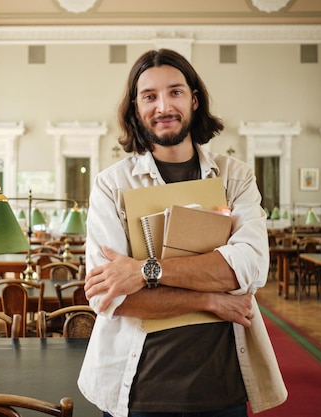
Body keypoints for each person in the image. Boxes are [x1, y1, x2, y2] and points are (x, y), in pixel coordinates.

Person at [78, 49, 287, 417]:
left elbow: (249, 268)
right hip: (138, 388)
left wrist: (142, 272)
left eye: (174, 92)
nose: (163, 106)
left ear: (193, 99)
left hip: (221, 386)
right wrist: (209, 300)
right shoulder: (111, 185)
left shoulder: (234, 176)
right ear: (135, 108)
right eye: (150, 96)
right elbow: (111, 298)